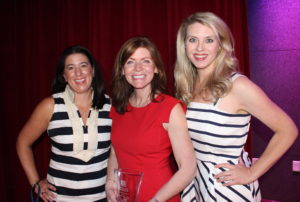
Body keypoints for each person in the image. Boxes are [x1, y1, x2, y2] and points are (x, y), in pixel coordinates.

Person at [174, 12, 298, 202]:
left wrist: (251, 173)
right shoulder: (187, 85)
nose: (200, 48)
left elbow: (287, 130)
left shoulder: (237, 86)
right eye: (193, 40)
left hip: (228, 190)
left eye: (208, 40)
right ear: (184, 45)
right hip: (197, 184)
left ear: (221, 45)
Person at [105, 36, 196, 202]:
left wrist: (155, 200)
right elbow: (115, 151)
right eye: (130, 62)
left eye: (145, 61)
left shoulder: (171, 108)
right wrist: (110, 181)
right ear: (122, 70)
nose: (138, 68)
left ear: (156, 68)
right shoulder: (117, 108)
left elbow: (188, 168)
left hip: (160, 197)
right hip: (126, 198)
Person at [16, 45, 112, 202]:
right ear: (64, 75)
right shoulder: (50, 106)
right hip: (58, 198)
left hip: (101, 198)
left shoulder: (111, 106)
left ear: (93, 70)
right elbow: (22, 143)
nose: (78, 73)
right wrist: (35, 183)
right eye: (71, 68)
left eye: (83, 65)